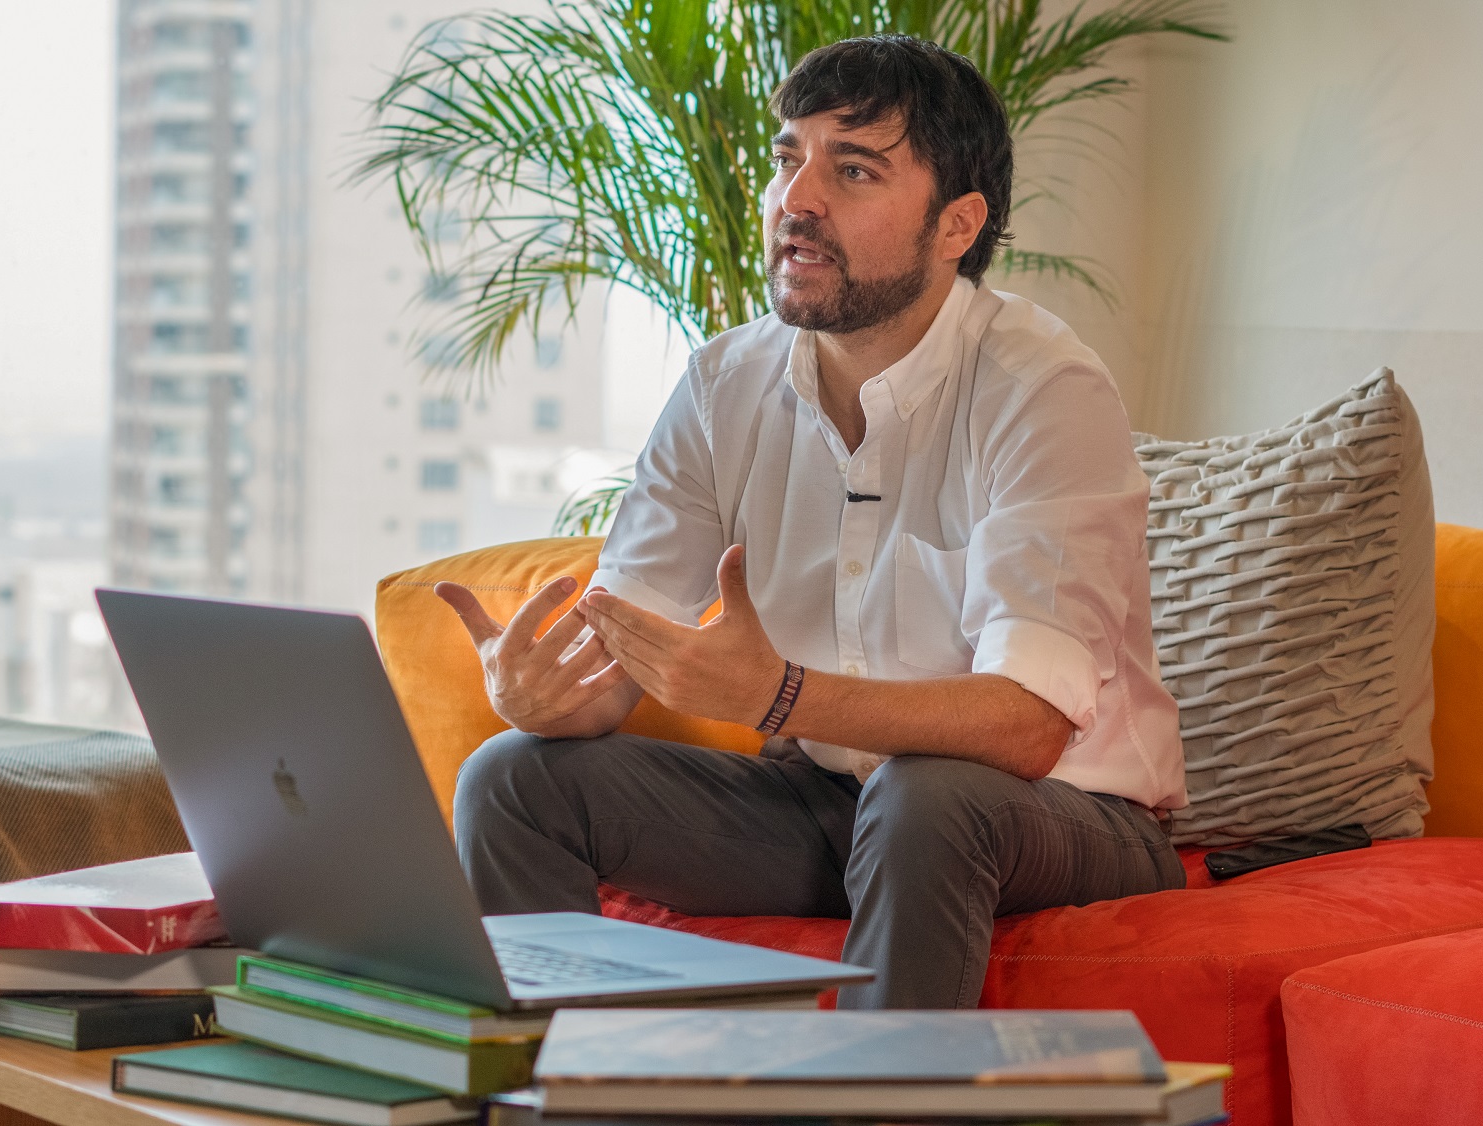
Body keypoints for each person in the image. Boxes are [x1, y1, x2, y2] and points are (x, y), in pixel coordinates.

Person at [437, 34, 1186, 1009]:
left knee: (929, 795)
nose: (797, 198)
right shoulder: (721, 384)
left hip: (1065, 815)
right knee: (513, 780)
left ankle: (875, 1106)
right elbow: (610, 668)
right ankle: (575, 1094)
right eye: (788, 157)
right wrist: (536, 694)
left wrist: (778, 696)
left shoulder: (1040, 388)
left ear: (957, 224)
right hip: (829, 806)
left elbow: (1025, 725)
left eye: (854, 169)